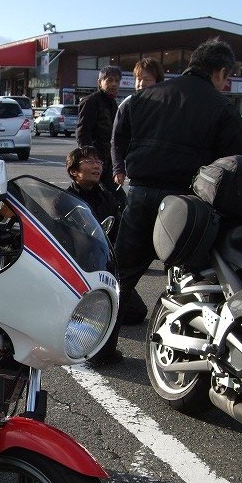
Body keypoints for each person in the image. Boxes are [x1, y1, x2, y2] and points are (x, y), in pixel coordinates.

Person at [90, 37, 242, 365]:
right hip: (187, 204)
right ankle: (183, 358)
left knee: (120, 277)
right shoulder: (221, 107)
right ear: (221, 72)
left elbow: (118, 137)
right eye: (227, 77)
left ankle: (98, 349)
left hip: (139, 195)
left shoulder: (143, 98)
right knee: (192, 280)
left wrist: (123, 168)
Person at [111, 56, 164, 325]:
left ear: (159, 81)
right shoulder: (129, 104)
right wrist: (118, 168)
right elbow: (117, 140)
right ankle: (108, 317)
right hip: (139, 184)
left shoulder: (166, 106)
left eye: (147, 79)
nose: (141, 84)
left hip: (162, 186)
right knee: (125, 262)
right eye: (138, 79)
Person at [75, 65, 122, 193]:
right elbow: (82, 133)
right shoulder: (91, 101)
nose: (114, 84)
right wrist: (91, 160)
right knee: (115, 197)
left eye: (117, 81)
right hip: (96, 162)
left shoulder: (113, 103)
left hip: (109, 162)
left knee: (106, 197)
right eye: (109, 80)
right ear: (100, 83)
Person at [64, 146, 123, 240]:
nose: (97, 166)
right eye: (89, 162)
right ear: (73, 171)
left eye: (99, 162)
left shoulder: (107, 198)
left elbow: (120, 231)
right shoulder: (64, 200)